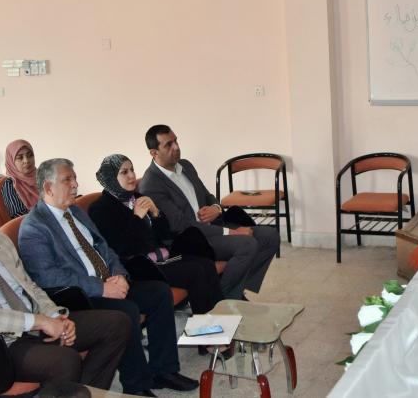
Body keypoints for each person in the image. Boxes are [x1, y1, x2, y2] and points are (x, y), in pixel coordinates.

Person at [0, 186, 131, 398]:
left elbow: (29, 287)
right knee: (65, 361)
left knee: (117, 324)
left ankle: (82, 394)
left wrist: (54, 315)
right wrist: (39, 322)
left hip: (34, 324)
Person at [18, 158, 198, 397]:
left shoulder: (75, 211)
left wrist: (119, 274)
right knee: (127, 311)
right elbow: (48, 277)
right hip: (80, 296)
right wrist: (101, 288)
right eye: (67, 180)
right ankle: (137, 385)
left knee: (158, 292)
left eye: (74, 178)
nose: (75, 184)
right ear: (48, 188)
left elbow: (104, 247)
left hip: (108, 281)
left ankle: (163, 370)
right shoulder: (34, 227)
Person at [138, 125, 279, 300]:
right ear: (154, 153)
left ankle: (232, 290)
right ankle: (221, 299)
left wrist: (216, 208)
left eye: (176, 141)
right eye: (168, 145)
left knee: (270, 236)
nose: (176, 147)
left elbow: (208, 195)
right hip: (190, 240)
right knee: (247, 244)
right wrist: (231, 232)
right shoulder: (151, 184)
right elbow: (180, 225)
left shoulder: (185, 166)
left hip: (212, 228)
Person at [89, 154, 223, 314]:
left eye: (132, 169)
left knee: (206, 263)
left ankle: (222, 317)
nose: (131, 175)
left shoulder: (138, 198)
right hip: (138, 267)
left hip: (161, 257)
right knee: (195, 271)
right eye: (124, 172)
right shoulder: (100, 209)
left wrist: (156, 213)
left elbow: (165, 234)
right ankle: (207, 324)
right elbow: (121, 248)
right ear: (111, 178)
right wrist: (137, 218)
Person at [1, 138, 39, 218]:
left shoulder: (43, 176)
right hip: (33, 224)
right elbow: (19, 215)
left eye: (30, 155)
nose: (26, 161)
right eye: (20, 157)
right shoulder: (10, 184)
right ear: (11, 161)